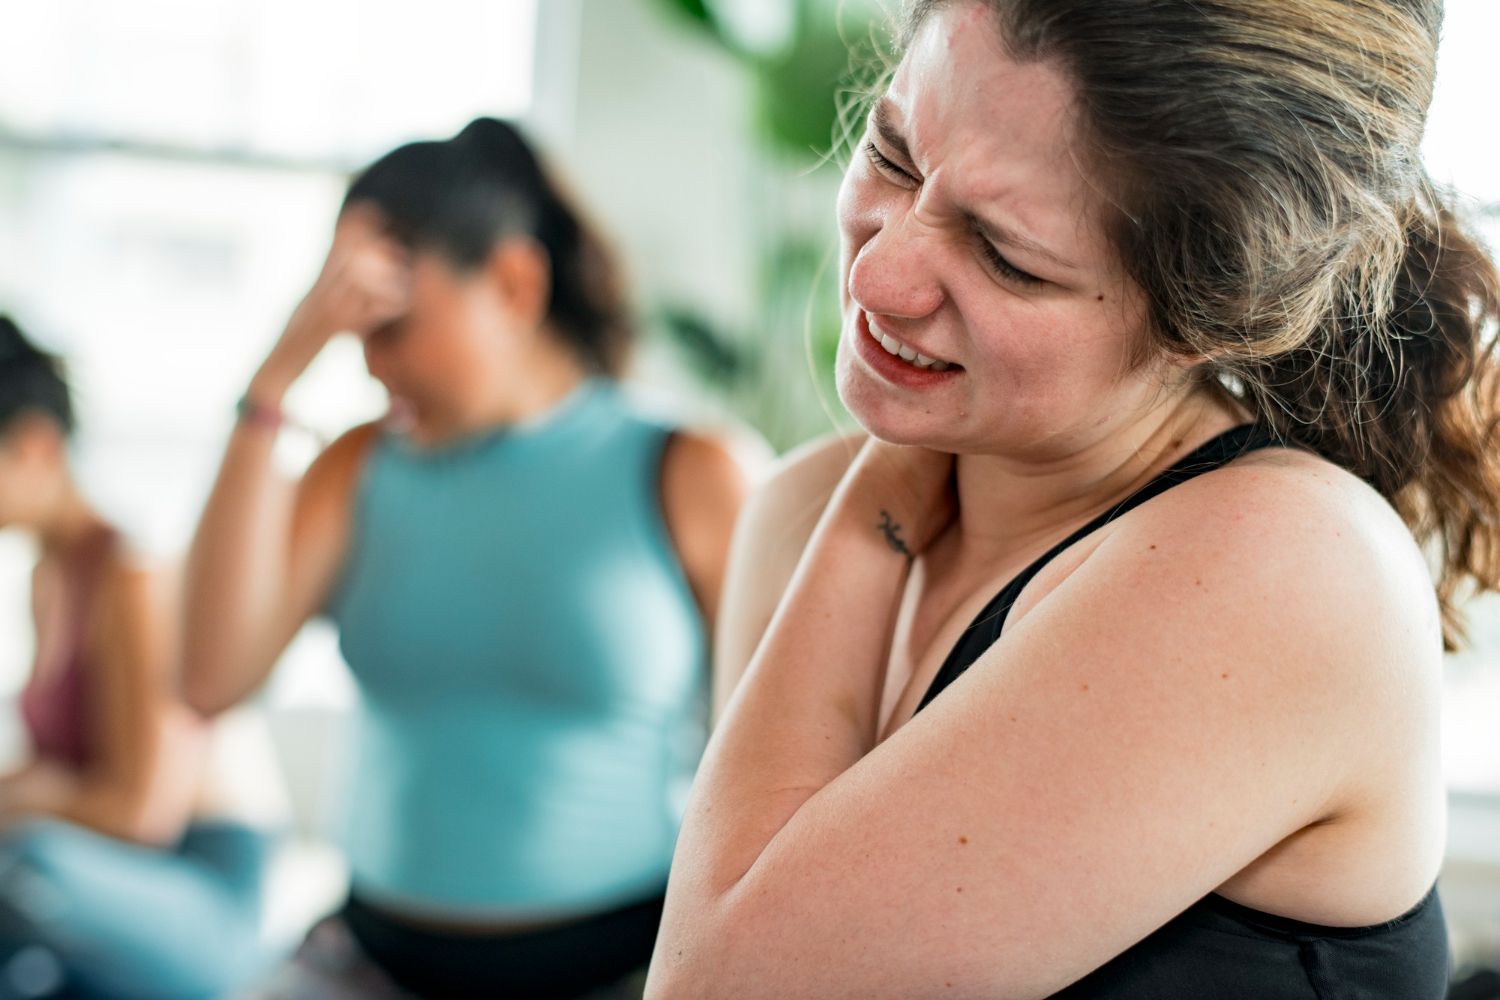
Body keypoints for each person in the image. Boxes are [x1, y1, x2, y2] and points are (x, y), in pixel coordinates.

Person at [648, 1, 1500, 996]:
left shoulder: (1290, 564)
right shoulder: (796, 510)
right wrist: (858, 508)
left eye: (1003, 254)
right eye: (891, 155)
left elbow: (717, 983)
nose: (879, 276)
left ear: (1208, 318)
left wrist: (872, 504)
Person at [182, 117, 752, 1000]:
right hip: (373, 960)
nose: (371, 364)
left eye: (392, 323)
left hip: (624, 966)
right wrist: (271, 385)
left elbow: (776, 772)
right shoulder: (357, 469)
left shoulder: (687, 471)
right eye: (348, 326)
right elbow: (210, 678)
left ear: (516, 283)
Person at [0, 315, 280, 999]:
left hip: (201, 893)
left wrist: (28, 803)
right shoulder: (49, 575)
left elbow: (140, 814)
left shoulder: (132, 574)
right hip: (104, 880)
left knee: (25, 865)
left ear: (35, 445)